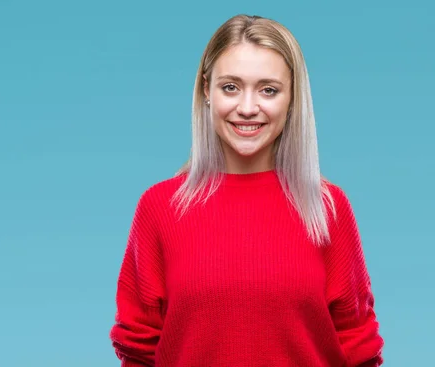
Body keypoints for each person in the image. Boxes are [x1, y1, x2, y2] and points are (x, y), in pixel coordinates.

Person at [108, 14, 384, 367]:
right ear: (206, 91)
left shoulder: (328, 207)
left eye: (268, 89)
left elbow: (358, 347)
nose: (248, 107)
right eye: (231, 87)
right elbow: (138, 348)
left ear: (292, 98)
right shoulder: (160, 208)